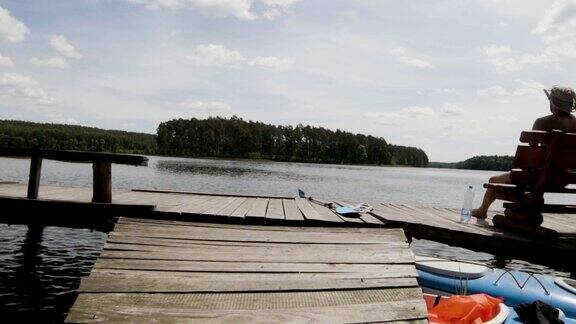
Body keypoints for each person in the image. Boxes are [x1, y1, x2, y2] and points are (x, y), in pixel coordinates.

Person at [472, 85, 576, 219]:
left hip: (537, 177)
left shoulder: (542, 122)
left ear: (553, 102)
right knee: (509, 184)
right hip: (564, 179)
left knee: (493, 181)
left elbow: (532, 147)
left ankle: (482, 211)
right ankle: (524, 205)